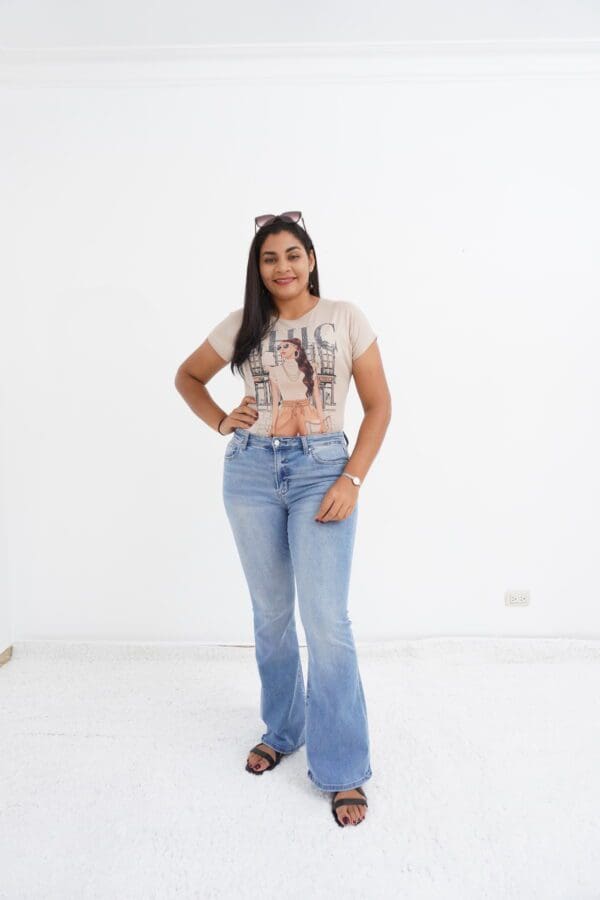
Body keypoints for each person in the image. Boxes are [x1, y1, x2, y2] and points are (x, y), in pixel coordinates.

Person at [174, 211, 392, 827]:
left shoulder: (345, 318)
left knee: (327, 622)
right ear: (258, 268)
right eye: (270, 259)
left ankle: (343, 768)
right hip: (250, 471)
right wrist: (222, 421)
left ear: (312, 259)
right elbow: (187, 376)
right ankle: (283, 728)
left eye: (293, 254)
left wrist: (352, 478)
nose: (283, 267)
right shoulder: (243, 324)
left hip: (324, 469)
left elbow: (379, 406)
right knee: (270, 615)